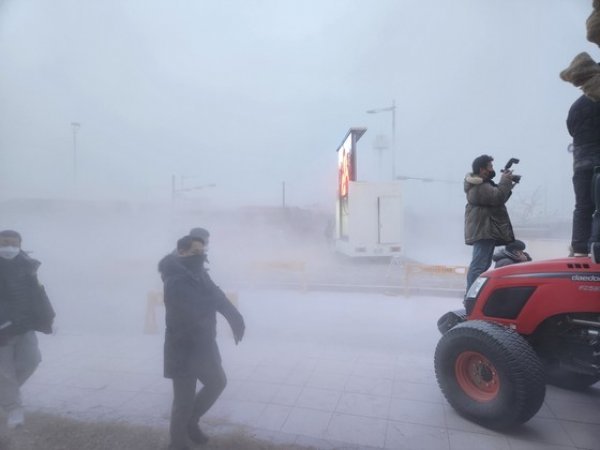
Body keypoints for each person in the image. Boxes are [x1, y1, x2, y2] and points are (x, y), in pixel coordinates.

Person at [159, 235, 244, 450]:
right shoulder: (174, 279)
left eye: (202, 252)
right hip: (182, 349)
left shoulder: (197, 272)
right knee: (183, 403)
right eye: (195, 252)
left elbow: (216, 295)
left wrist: (235, 317)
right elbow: (192, 308)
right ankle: (177, 445)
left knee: (217, 382)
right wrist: (215, 303)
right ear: (182, 252)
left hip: (203, 346)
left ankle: (191, 422)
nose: (201, 256)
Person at [0, 230, 54, 429]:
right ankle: (14, 409)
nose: (9, 247)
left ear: (20, 245)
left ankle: (7, 394)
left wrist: (48, 316)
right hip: (1, 331)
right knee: (4, 372)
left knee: (32, 360)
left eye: (13, 244)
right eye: (4, 243)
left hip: (24, 326)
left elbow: (37, 292)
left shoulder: (27, 265)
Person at [464, 155, 517, 291]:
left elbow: (498, 197)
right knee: (479, 265)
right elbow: (497, 197)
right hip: (483, 230)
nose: (492, 169)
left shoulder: (484, 184)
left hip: (486, 230)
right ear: (482, 169)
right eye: (490, 166)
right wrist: (505, 181)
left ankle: (475, 295)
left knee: (483, 265)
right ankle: (471, 296)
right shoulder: (478, 186)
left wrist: (508, 184)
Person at [566, 93, 600, 256]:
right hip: (598, 161)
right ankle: (596, 247)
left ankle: (579, 249)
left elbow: (571, 130)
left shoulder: (576, 104)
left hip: (580, 163)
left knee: (583, 206)